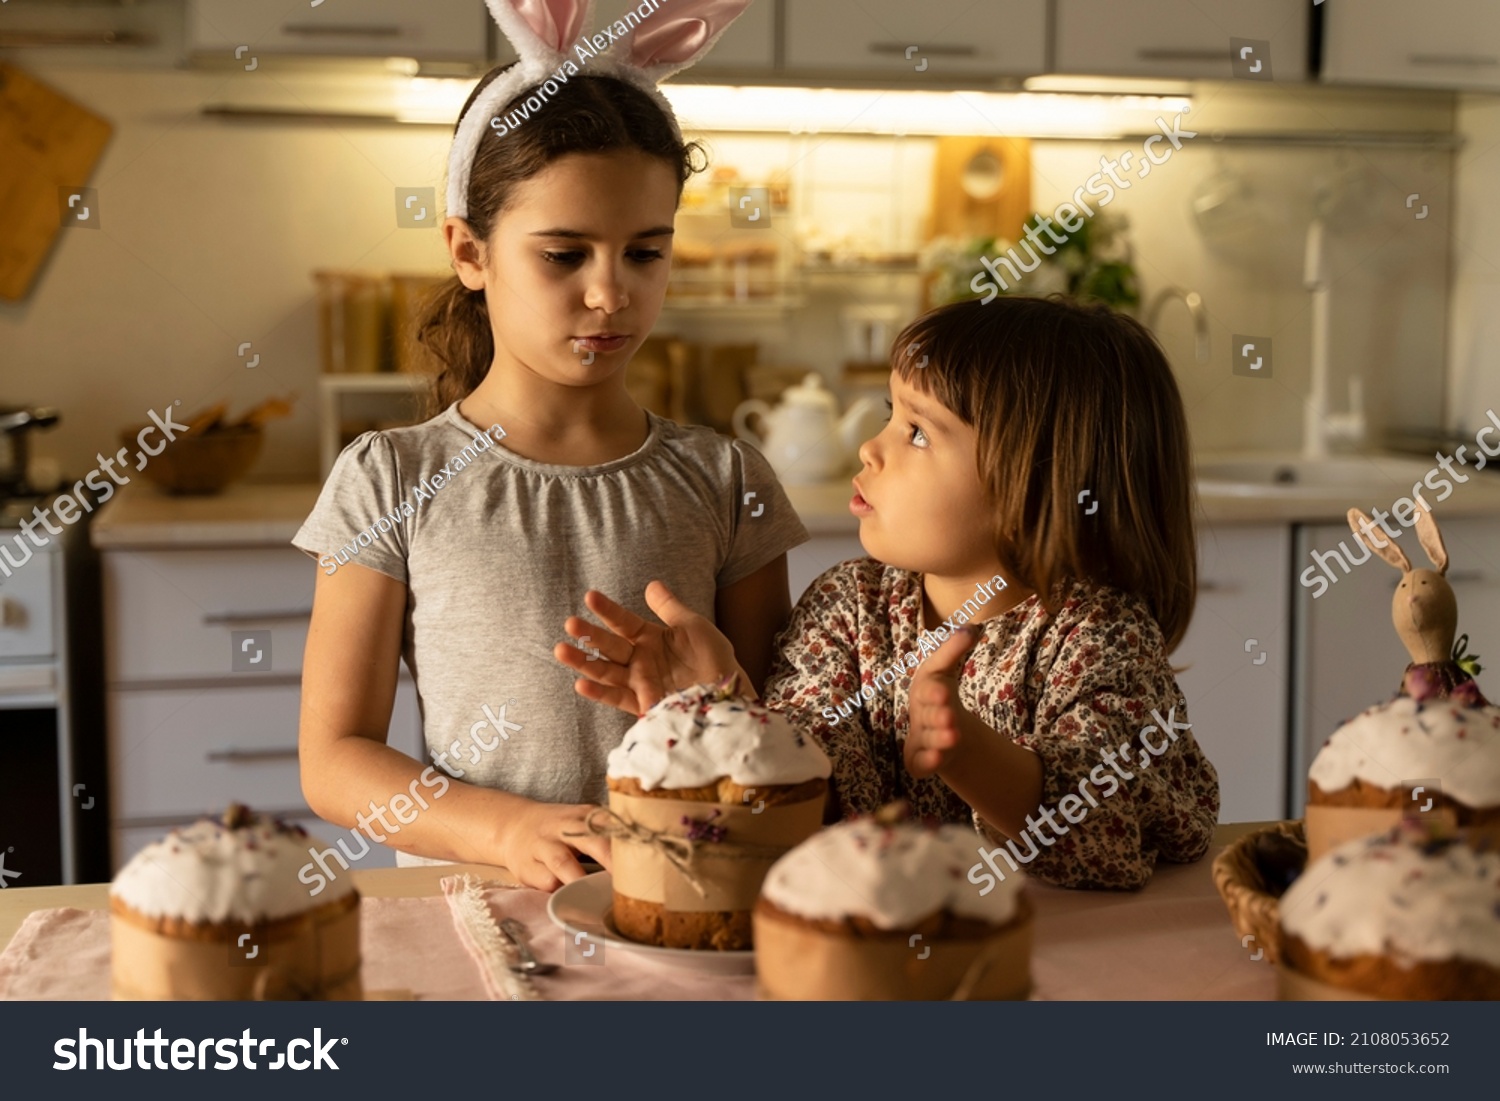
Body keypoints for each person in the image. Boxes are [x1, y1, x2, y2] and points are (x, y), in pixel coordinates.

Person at [295, 0, 801, 891]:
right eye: (564, 255)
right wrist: (508, 829)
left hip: (684, 906)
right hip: (478, 906)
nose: (611, 294)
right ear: (469, 250)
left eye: (645, 254)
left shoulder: (727, 478)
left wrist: (726, 704)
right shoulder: (389, 479)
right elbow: (335, 760)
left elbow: (782, 739)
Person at [561, 295, 1219, 889]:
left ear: (1039, 485)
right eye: (890, 414)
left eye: (919, 431)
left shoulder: (1096, 634)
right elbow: (812, 790)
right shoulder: (848, 608)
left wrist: (967, 752)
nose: (872, 448)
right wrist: (722, 707)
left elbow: (1109, 830)